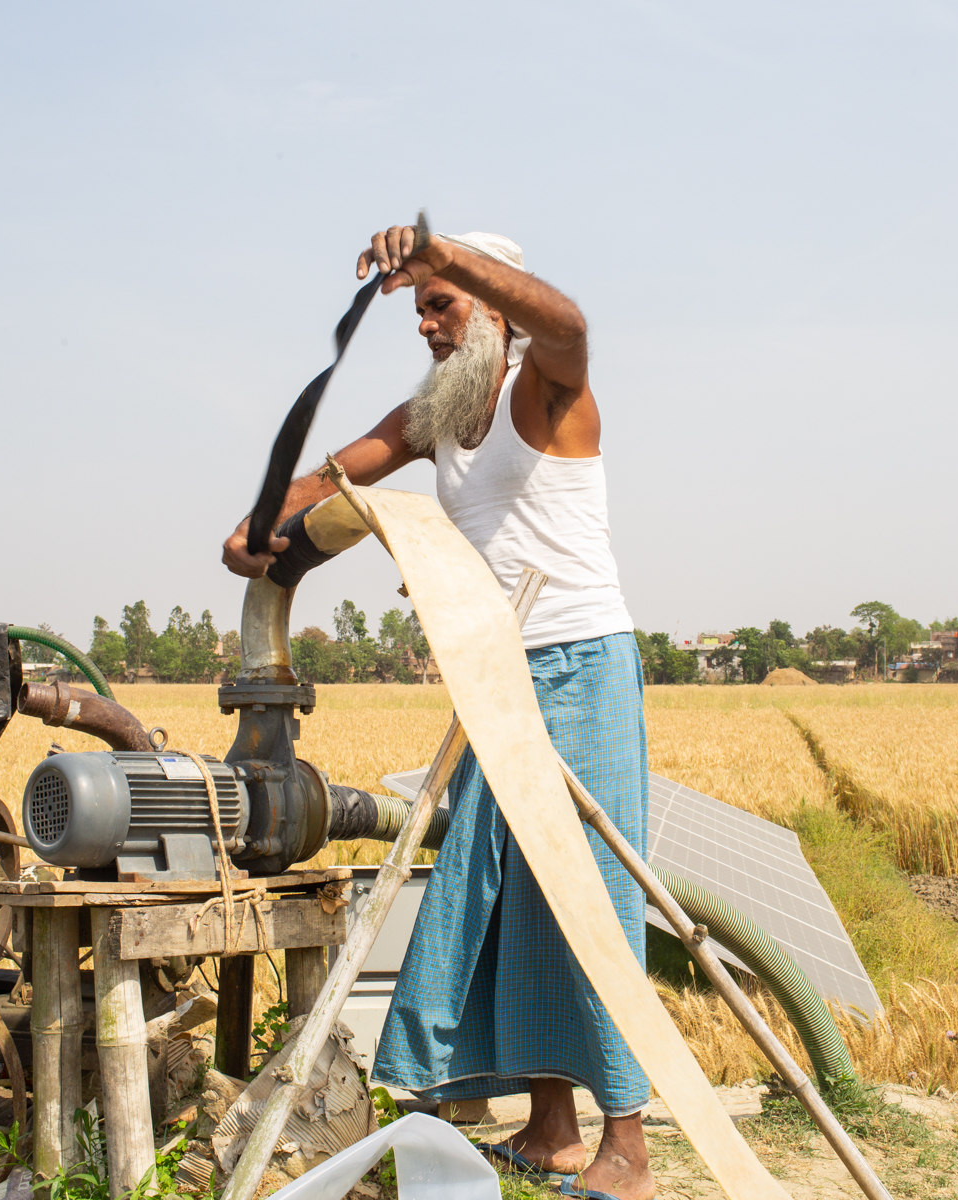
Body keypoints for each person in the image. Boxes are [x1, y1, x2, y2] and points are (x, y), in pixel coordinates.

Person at [221, 223, 653, 1200]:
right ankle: (549, 1130)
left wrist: (444, 251)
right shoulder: (435, 412)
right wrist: (261, 528)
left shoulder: (546, 388)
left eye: (443, 304)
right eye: (417, 309)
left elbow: (571, 319)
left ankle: (627, 1150)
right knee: (507, 887)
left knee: (586, 885)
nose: (425, 323)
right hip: (492, 668)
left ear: (493, 311)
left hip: (577, 662)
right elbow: (337, 483)